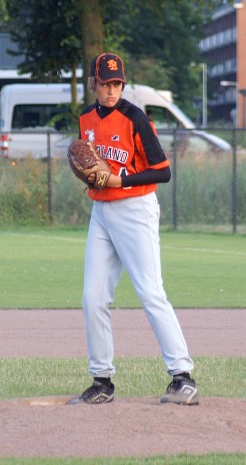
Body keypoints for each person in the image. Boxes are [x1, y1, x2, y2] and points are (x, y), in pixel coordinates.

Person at [69, 52, 198, 406]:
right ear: (93, 84)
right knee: (93, 297)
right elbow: (89, 162)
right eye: (105, 84)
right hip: (101, 211)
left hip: (135, 209)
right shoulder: (85, 119)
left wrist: (119, 179)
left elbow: (163, 171)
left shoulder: (135, 118)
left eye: (117, 84)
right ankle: (102, 381)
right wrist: (92, 176)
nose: (112, 90)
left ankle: (183, 377)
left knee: (150, 291)